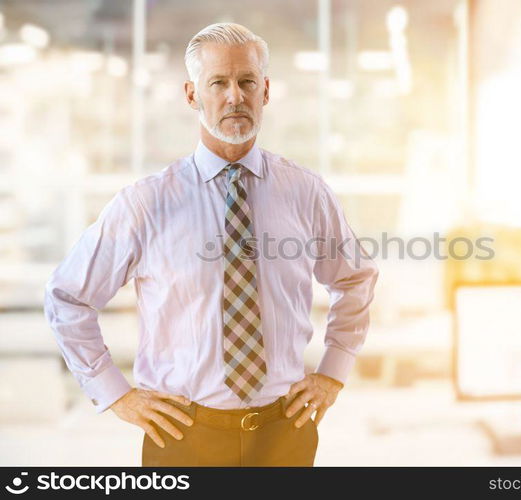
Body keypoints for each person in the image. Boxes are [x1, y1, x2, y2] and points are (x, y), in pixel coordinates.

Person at [44, 22, 379, 467]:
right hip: (182, 436)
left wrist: (332, 374)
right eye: (218, 83)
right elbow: (67, 298)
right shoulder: (145, 204)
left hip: (285, 434)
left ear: (265, 91)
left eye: (246, 82)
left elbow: (355, 278)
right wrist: (115, 393)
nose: (234, 96)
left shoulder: (306, 193)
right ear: (191, 95)